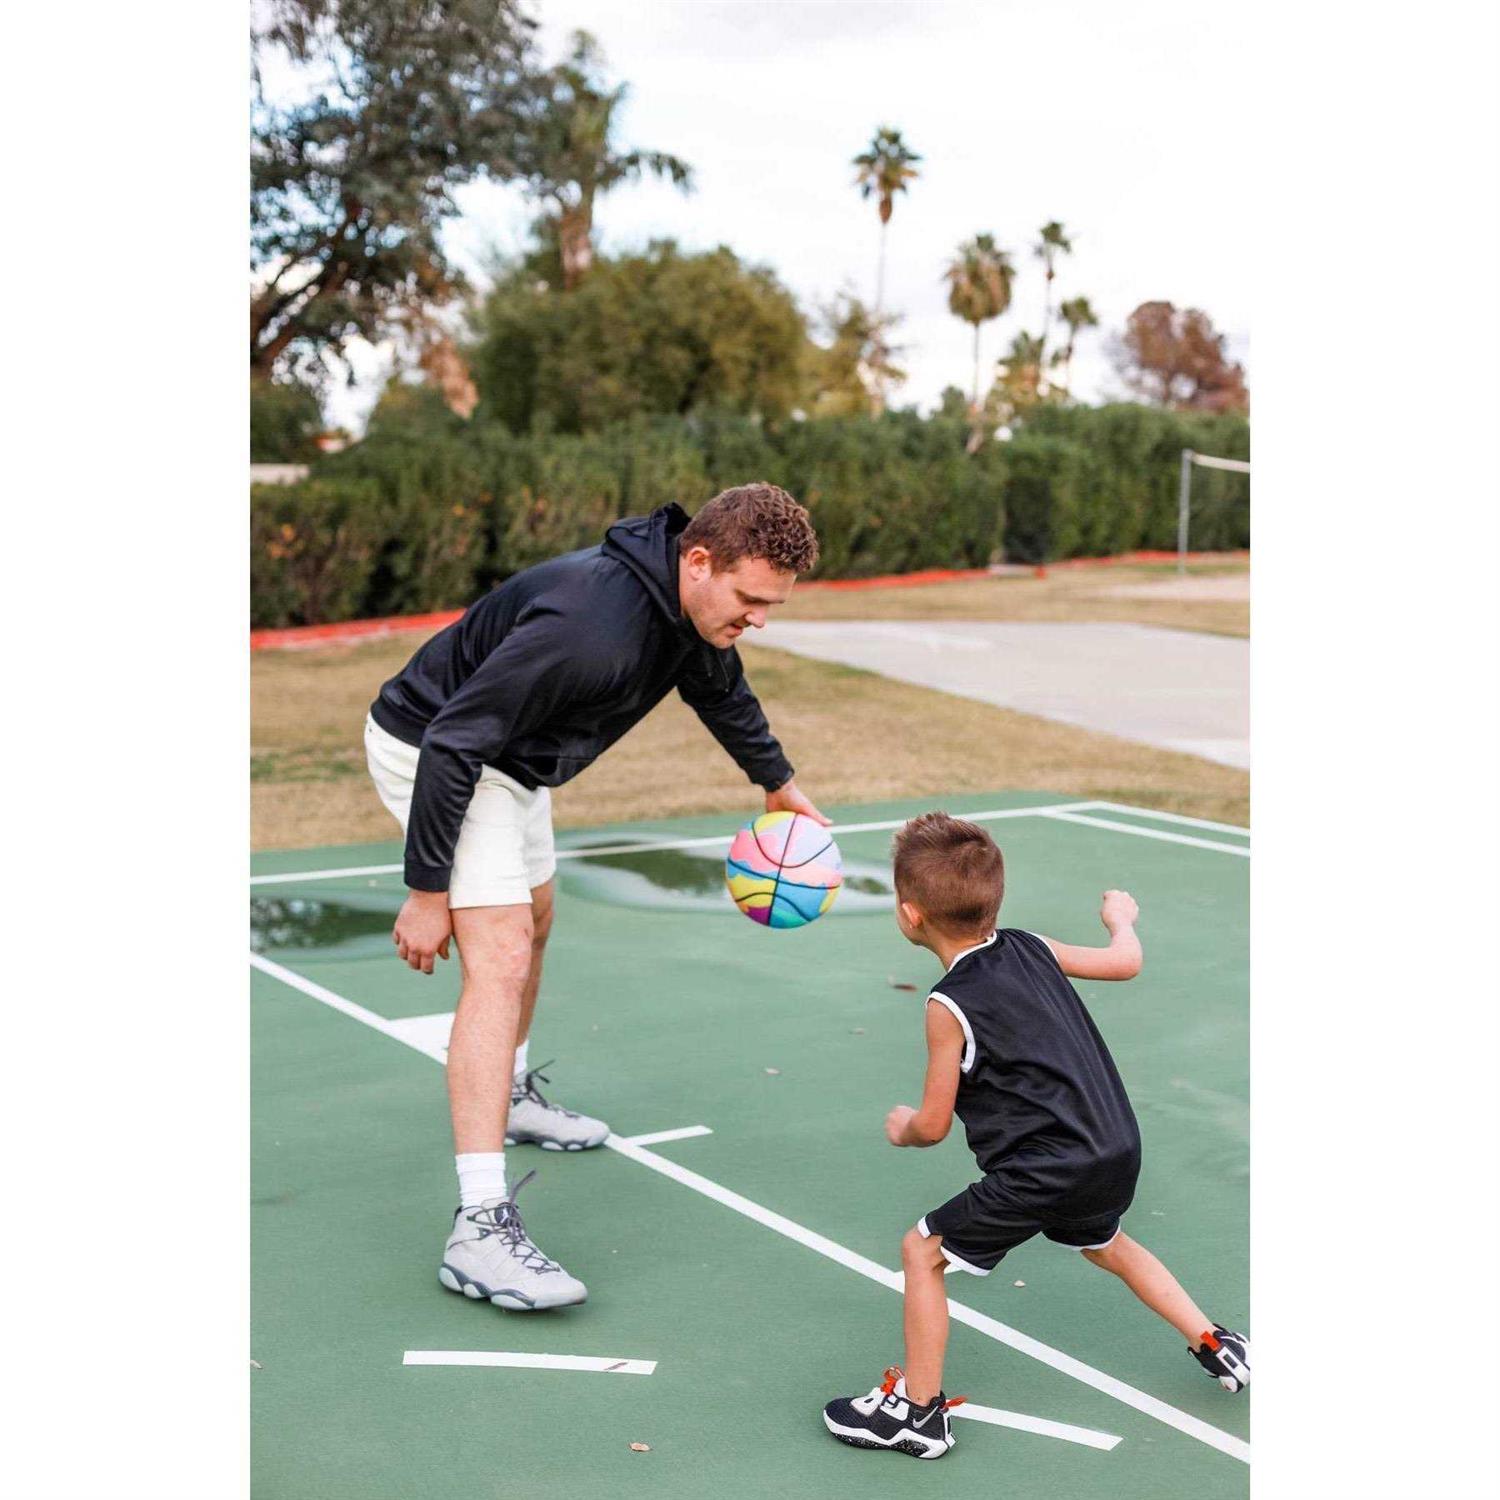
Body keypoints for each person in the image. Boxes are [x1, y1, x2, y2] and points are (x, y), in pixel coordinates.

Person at [364, 483, 827, 1312]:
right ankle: (478, 1228)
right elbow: (451, 740)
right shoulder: (591, 625)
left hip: (511, 761)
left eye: (772, 604)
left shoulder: (687, 613)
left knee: (535, 922)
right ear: (697, 562)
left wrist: (777, 782)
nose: (759, 618)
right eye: (751, 600)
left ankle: (505, 1092)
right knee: (498, 955)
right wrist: (427, 890)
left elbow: (718, 687)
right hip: (437, 751)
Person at [822, 812, 1249, 1460]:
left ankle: (917, 1413)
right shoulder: (1028, 945)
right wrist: (1120, 920)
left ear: (910, 915)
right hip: (1114, 1143)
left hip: (1049, 1165)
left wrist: (903, 1126)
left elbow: (934, 1126)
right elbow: (1124, 962)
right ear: (994, 901)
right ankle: (1218, 1344)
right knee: (1107, 1244)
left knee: (923, 1251)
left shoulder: (948, 1005)